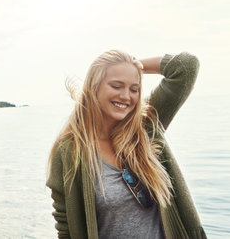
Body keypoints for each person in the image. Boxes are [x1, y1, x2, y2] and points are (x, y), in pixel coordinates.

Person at [46, 50, 206, 239]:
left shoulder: (146, 126)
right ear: (93, 86)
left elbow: (186, 67)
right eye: (116, 86)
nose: (126, 96)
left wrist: (136, 66)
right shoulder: (69, 151)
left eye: (134, 89)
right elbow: (66, 227)